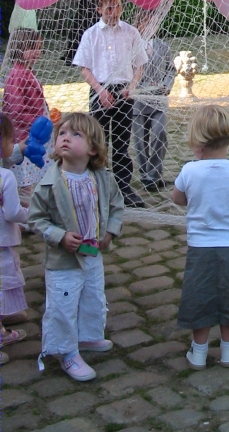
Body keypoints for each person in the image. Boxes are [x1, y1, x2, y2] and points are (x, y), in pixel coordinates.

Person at [28, 112, 124, 382]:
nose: (66, 138)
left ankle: (87, 335)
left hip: (93, 254)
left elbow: (116, 205)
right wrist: (59, 236)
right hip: (64, 260)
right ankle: (66, 351)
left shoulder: (102, 179)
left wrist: (110, 230)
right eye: (62, 133)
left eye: (76, 134)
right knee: (64, 302)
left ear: (93, 148)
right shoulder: (49, 184)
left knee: (93, 295)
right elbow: (36, 219)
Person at [174, 105, 229, 370]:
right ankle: (228, 349)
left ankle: (199, 351)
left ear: (198, 140)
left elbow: (177, 198)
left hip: (199, 247)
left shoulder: (189, 171)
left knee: (200, 295)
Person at [73, 0, 148, 207]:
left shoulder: (131, 32)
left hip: (124, 92)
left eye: (117, 7)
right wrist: (100, 90)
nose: (114, 12)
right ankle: (98, 187)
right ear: (99, 9)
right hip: (100, 91)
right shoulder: (91, 35)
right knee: (98, 142)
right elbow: (85, 68)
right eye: (109, 8)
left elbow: (139, 65)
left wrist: (131, 87)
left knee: (122, 143)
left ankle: (124, 188)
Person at [2, 28, 51, 204]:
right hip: (22, 137)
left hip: (31, 135)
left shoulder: (27, 71)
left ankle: (27, 209)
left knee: (30, 179)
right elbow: (16, 110)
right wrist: (38, 122)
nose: (37, 52)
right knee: (23, 181)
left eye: (39, 48)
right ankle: (22, 211)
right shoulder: (17, 75)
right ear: (19, 49)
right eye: (32, 48)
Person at [132, 11, 176, 192]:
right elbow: (127, 72)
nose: (150, 26)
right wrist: (142, 86)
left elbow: (171, 69)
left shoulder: (163, 46)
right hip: (138, 101)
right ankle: (145, 176)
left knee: (160, 133)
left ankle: (155, 174)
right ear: (138, 25)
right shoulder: (131, 47)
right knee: (140, 141)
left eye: (153, 22)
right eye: (146, 22)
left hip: (158, 100)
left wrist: (166, 85)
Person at [0, 114, 29, 365]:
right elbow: (12, 212)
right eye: (11, 139)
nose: (14, 143)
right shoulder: (5, 177)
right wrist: (30, 216)